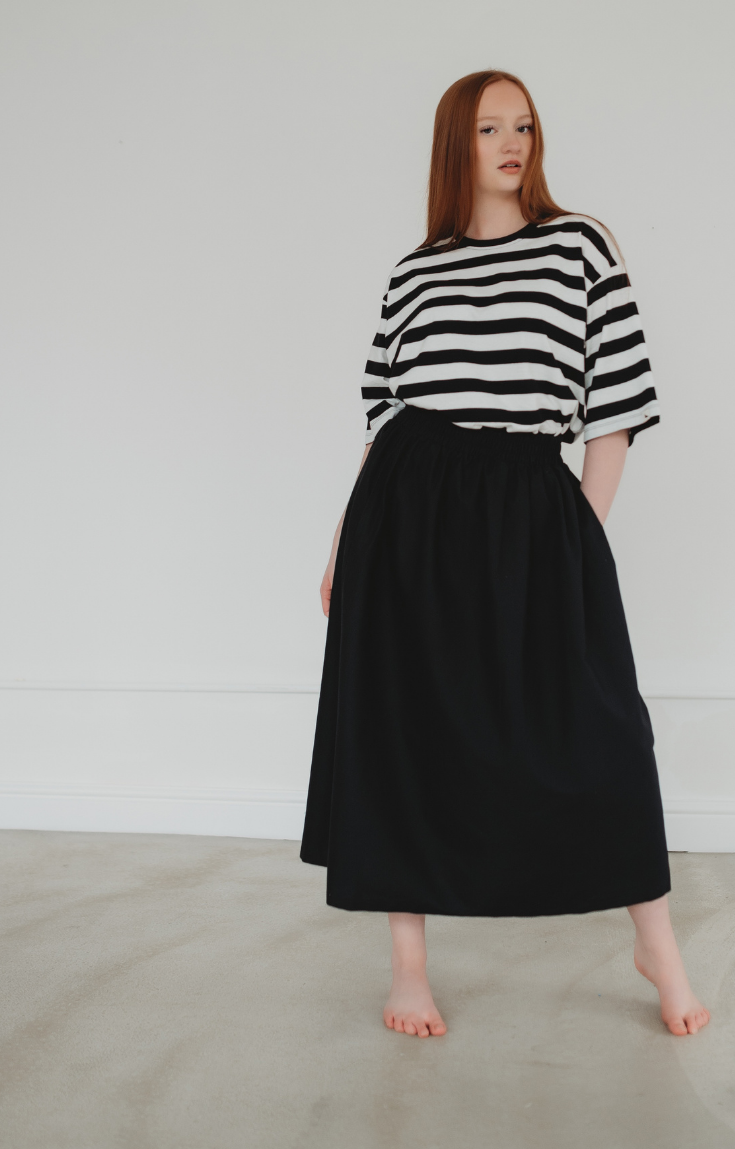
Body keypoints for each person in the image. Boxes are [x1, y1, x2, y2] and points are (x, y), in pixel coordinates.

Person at [300, 70, 710, 1039]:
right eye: (488, 128)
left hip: (531, 506)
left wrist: (578, 536)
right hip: (405, 514)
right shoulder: (416, 270)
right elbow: (384, 417)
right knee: (405, 730)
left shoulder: (579, 246)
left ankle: (656, 940)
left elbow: (613, 409)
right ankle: (409, 963)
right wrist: (341, 543)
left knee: (600, 729)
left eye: (523, 124)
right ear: (456, 144)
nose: (511, 142)